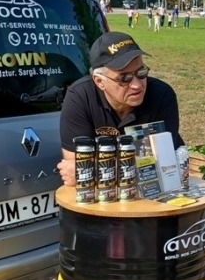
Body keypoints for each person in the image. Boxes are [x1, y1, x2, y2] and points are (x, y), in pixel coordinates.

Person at [56, 32, 184, 186]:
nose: (137, 85)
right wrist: (136, 164)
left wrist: (94, 171)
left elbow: (164, 165)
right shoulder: (80, 97)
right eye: (125, 78)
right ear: (99, 81)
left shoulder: (162, 96)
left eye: (141, 72)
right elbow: (73, 167)